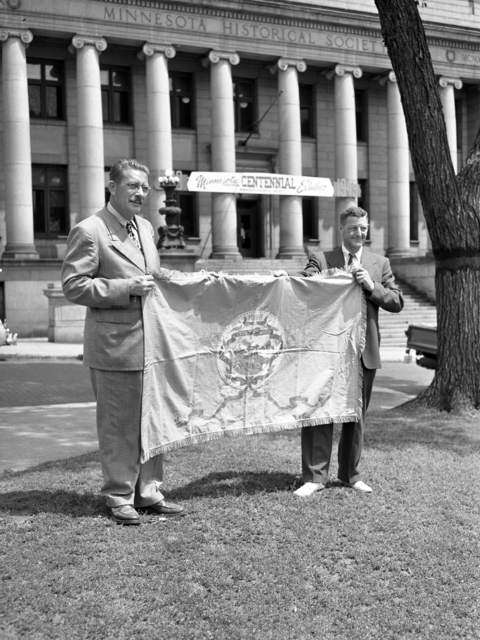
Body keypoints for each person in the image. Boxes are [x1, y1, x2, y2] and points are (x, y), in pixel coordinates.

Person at [62, 158, 186, 525]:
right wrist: (124, 288)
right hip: (114, 347)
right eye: (132, 185)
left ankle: (148, 491)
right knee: (119, 424)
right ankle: (118, 495)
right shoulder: (89, 230)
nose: (141, 193)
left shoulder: (146, 228)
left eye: (145, 187)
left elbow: (153, 274)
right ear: (112, 187)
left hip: (152, 345)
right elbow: (73, 285)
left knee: (153, 421)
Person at [294, 206, 404, 497]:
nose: (359, 233)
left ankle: (349, 474)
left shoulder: (379, 263)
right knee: (319, 413)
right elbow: (303, 286)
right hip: (325, 352)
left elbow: (396, 301)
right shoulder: (321, 259)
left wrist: (371, 286)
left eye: (364, 228)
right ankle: (315, 477)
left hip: (363, 352)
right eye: (354, 227)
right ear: (341, 228)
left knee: (356, 416)